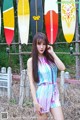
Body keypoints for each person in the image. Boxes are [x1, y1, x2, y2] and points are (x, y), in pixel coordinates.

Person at [27, 32, 65, 120]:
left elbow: (62, 67)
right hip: (42, 94)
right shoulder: (31, 61)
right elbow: (31, 83)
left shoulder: (50, 58)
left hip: (54, 93)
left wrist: (52, 53)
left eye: (44, 44)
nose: (41, 47)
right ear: (35, 45)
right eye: (39, 44)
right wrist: (35, 102)